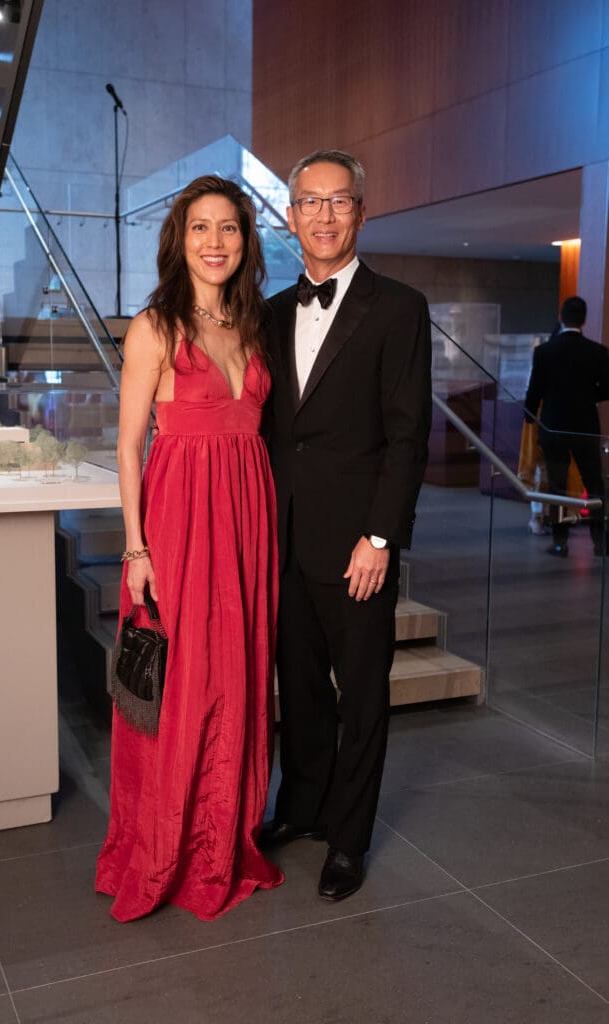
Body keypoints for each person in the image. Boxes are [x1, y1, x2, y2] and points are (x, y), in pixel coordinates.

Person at [96, 175, 283, 921]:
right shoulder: (155, 326)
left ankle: (225, 838)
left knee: (237, 679)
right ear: (180, 239)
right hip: (179, 521)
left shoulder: (251, 323)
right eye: (201, 228)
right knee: (184, 685)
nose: (215, 242)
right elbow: (129, 444)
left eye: (229, 228)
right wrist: (137, 551)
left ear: (245, 241)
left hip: (249, 518)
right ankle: (171, 846)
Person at [261, 150, 432, 901]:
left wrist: (382, 537)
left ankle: (350, 843)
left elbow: (407, 435)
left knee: (361, 697)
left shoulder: (398, 307)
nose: (323, 215)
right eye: (309, 201)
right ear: (289, 215)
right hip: (282, 538)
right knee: (297, 690)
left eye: (339, 201)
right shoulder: (268, 311)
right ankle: (302, 807)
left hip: (358, 543)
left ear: (362, 212)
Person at [524, 295, 609, 557]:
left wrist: (530, 417)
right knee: (594, 484)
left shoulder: (545, 351)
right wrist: (585, 398)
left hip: (554, 428)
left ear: (560, 318)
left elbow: (534, 391)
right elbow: (606, 389)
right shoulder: (598, 352)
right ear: (583, 320)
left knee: (557, 486)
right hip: (585, 427)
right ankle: (600, 542)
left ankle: (560, 542)